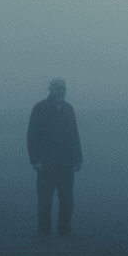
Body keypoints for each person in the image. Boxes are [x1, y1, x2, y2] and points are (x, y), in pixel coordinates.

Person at [27, 78, 83, 237]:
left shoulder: (68, 108)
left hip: (66, 163)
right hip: (46, 164)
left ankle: (65, 230)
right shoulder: (39, 108)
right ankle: (44, 232)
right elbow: (32, 135)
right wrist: (35, 160)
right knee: (45, 199)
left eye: (64, 88)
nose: (61, 91)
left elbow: (74, 134)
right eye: (58, 88)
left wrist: (78, 158)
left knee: (67, 199)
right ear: (50, 89)